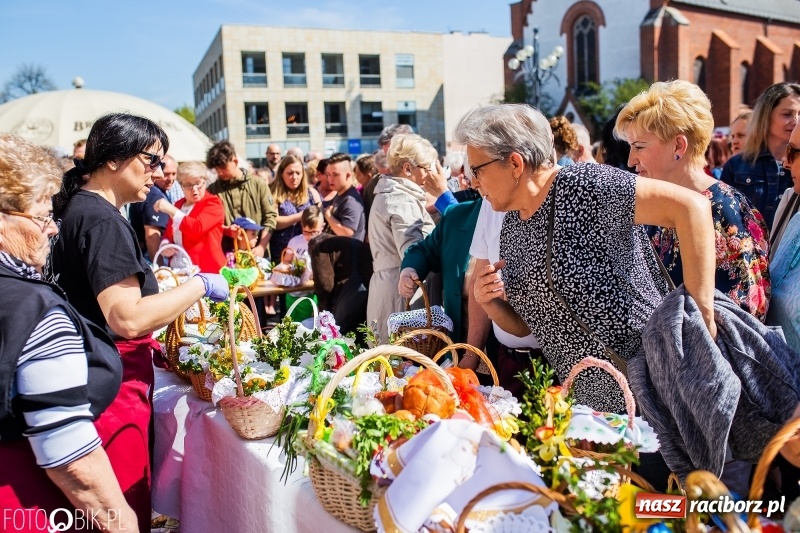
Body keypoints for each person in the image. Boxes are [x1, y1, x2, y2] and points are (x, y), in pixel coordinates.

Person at [456, 103, 717, 414]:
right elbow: (528, 326)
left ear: (514, 163)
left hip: (656, 388)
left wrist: (702, 315)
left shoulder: (583, 184)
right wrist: (490, 303)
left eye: (477, 170)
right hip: (590, 409)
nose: (472, 182)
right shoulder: (513, 224)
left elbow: (691, 207)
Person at [49, 113, 228, 530]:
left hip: (88, 370)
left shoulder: (81, 208)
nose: (159, 172)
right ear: (114, 159)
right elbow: (127, 318)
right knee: (120, 509)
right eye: (151, 160)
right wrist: (200, 285)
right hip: (111, 380)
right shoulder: (101, 219)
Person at [0, 133, 138, 532]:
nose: (53, 230)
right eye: (42, 216)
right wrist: (123, 521)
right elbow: (72, 461)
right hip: (26, 507)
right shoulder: (33, 309)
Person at [616, 80, 770, 321]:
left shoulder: (726, 211)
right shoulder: (656, 207)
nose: (630, 160)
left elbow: (745, 316)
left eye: (640, 146)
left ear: (678, 145)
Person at [367, 134, 436, 343]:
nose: (429, 174)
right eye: (426, 168)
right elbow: (412, 249)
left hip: (389, 286)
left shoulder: (390, 192)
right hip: (402, 291)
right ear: (407, 169)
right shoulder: (401, 199)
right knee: (402, 358)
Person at [721, 82, 800, 226]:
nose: (796, 121)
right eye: (787, 114)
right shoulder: (736, 166)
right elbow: (725, 219)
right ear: (766, 116)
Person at [206, 140, 277, 258]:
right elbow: (209, 224)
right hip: (227, 257)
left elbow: (270, 218)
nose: (220, 173)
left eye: (223, 168)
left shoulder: (258, 184)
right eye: (217, 169)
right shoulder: (212, 190)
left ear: (235, 161)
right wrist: (226, 230)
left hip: (258, 255)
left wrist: (262, 246)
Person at [154, 161, 226, 273]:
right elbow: (169, 233)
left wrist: (170, 209)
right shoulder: (178, 204)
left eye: (198, 183)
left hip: (205, 270)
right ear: (181, 186)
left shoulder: (213, 203)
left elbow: (196, 228)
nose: (194, 189)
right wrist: (165, 245)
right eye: (188, 185)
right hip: (178, 269)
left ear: (205, 182)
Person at [268, 153, 322, 261]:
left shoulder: (312, 193)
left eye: (298, 173)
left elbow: (320, 218)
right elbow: (273, 221)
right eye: (290, 173)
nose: (294, 177)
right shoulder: (273, 194)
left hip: (309, 253)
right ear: (281, 174)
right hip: (282, 253)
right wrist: (300, 216)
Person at [129, 153, 175, 261]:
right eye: (166, 174)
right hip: (149, 256)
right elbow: (152, 236)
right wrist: (159, 266)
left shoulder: (155, 192)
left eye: (174, 173)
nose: (170, 178)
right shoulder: (154, 196)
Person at [323, 152, 366, 240]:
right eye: (328, 174)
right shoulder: (340, 194)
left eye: (335, 174)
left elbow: (347, 233)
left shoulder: (351, 201)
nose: (330, 179)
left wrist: (328, 216)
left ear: (348, 175)